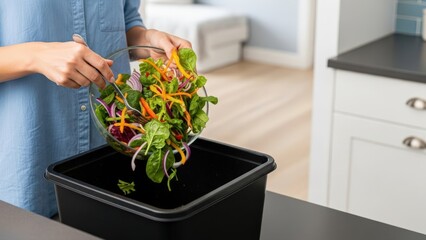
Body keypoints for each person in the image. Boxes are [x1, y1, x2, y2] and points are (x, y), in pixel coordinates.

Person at [0, 0, 191, 217]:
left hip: (111, 156)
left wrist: (148, 40)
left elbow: (125, 24)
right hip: (29, 166)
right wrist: (35, 56)